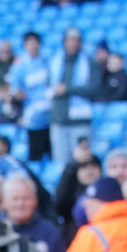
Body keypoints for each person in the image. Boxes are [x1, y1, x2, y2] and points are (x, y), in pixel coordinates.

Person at [49, 28, 100, 168]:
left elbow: (95, 89)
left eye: (76, 40)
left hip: (80, 120)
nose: (72, 43)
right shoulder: (55, 62)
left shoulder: (90, 63)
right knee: (61, 163)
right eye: (69, 40)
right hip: (59, 119)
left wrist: (68, 88)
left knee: (83, 161)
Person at [1, 174, 66, 252]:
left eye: (25, 198)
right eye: (15, 198)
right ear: (4, 202)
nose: (20, 204)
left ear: (35, 200)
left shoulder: (50, 233)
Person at [6, 32, 51, 162]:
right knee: (35, 154)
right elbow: (13, 90)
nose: (32, 46)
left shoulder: (47, 62)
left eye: (35, 43)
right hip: (32, 117)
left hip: (50, 115)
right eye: (29, 43)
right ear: (25, 45)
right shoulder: (20, 66)